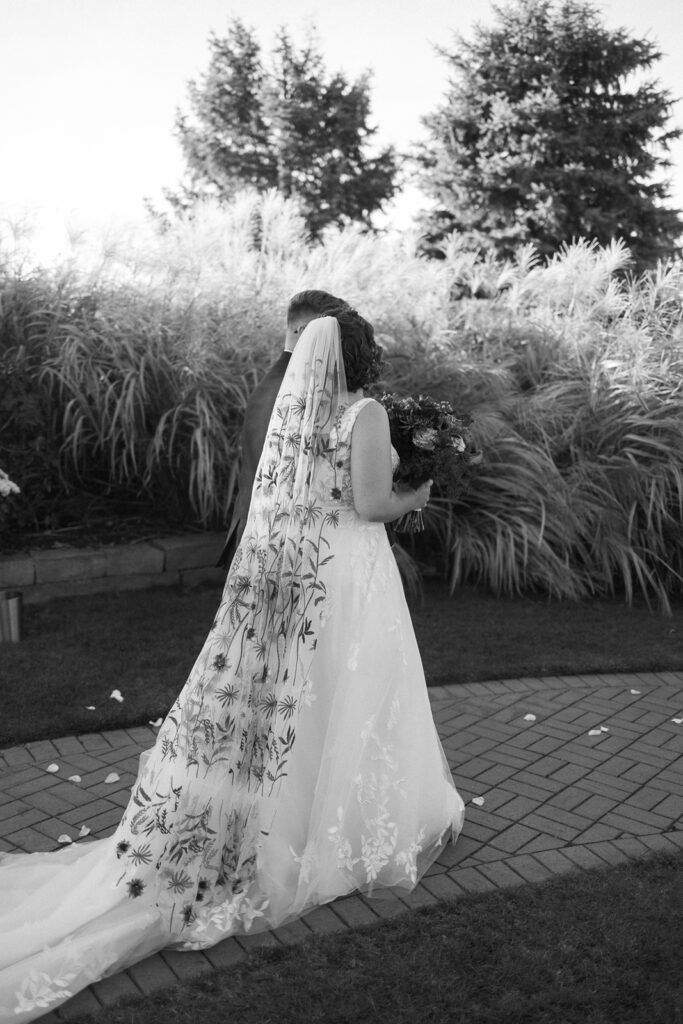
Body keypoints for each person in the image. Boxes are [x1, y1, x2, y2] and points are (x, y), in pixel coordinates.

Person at [0, 311, 465, 1023]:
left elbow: (286, 500)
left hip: (289, 577)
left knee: (295, 701)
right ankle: (329, 826)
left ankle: (291, 816)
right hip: (344, 575)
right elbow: (371, 503)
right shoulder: (364, 412)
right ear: (362, 355)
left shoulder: (292, 411)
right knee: (351, 693)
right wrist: (418, 494)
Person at [216, 289, 349, 570]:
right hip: (273, 538)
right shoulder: (288, 387)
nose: (337, 346)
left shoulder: (290, 379)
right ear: (302, 331)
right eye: (330, 336)